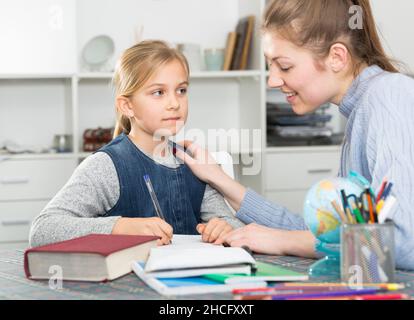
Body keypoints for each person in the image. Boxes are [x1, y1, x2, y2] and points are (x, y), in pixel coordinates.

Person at [176, 0, 414, 270]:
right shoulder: (361, 114)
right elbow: (322, 232)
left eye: (285, 66)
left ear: (337, 57)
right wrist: (218, 178)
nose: (272, 81)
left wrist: (284, 241)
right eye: (270, 66)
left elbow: (405, 244)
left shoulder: (390, 97)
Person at [29, 40, 244, 248]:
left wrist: (224, 229)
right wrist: (121, 226)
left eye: (181, 90)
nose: (174, 103)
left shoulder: (194, 162)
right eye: (158, 92)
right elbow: (42, 230)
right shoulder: (107, 166)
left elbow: (235, 228)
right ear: (127, 106)